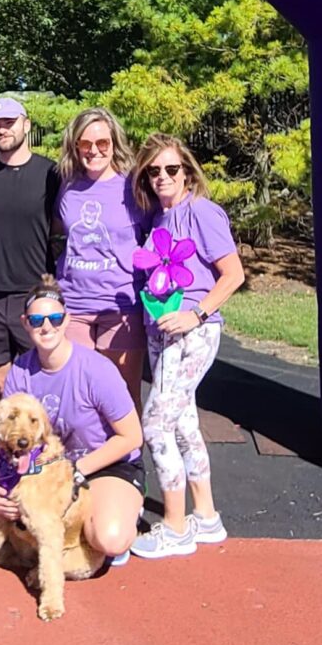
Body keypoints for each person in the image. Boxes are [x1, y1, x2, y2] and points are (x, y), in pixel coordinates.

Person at [128, 133, 245, 560]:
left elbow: (232, 274)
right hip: (162, 333)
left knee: (156, 424)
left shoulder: (202, 212)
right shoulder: (157, 219)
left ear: (187, 171)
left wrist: (196, 314)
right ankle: (207, 517)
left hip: (193, 332)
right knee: (182, 424)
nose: (162, 177)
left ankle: (175, 526)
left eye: (171, 169)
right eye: (153, 171)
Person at [0, 274, 144, 567]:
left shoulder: (96, 370)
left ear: (66, 320)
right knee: (19, 525)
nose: (46, 326)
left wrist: (77, 471)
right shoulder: (20, 371)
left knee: (109, 538)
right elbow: (3, 438)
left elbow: (132, 437)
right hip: (50, 468)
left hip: (104, 463)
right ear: (25, 323)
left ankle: (121, 509)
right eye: (37, 321)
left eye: (54, 318)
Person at [56, 108, 148, 406]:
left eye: (102, 143)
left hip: (120, 306)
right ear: (76, 146)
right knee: (77, 392)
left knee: (122, 395)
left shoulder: (133, 187)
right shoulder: (67, 186)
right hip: (75, 305)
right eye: (86, 144)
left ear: (114, 144)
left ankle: (129, 453)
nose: (94, 151)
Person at [0, 98, 60, 408]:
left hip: (36, 293)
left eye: (9, 122)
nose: (2, 129)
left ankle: (41, 454)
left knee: (40, 382)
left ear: (26, 124)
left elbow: (61, 228)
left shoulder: (50, 173)